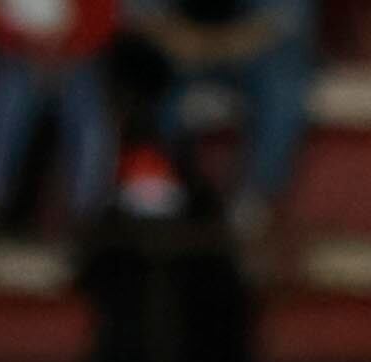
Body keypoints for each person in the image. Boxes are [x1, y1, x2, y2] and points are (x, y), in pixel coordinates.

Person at [122, 0, 309, 230]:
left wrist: (217, 45)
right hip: (178, 44)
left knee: (284, 81)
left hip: (256, 49)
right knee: (139, 67)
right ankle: (157, 185)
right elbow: (139, 11)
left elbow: (285, 17)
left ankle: (255, 198)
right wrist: (178, 38)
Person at [0, 0, 120, 230]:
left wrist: (67, 49)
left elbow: (103, 17)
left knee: (91, 118)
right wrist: (23, 46)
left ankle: (85, 215)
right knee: (6, 103)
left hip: (74, 58)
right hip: (9, 56)